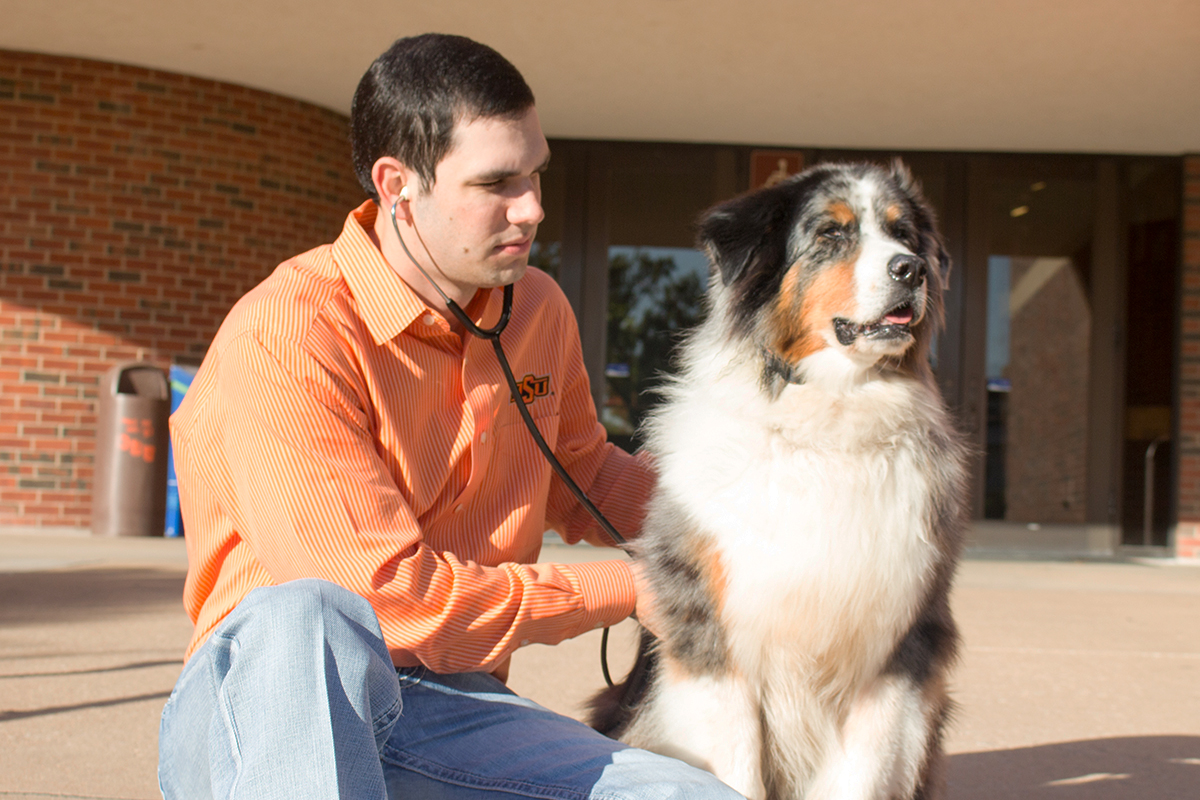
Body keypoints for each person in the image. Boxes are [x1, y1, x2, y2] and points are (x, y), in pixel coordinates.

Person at [156, 33, 743, 800]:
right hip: (280, 706)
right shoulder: (289, 332)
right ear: (397, 184)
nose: (532, 208)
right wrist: (629, 591)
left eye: (535, 175)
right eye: (497, 183)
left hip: (457, 708)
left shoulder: (536, 308)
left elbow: (584, 470)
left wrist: (732, 532)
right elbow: (386, 598)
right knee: (306, 612)